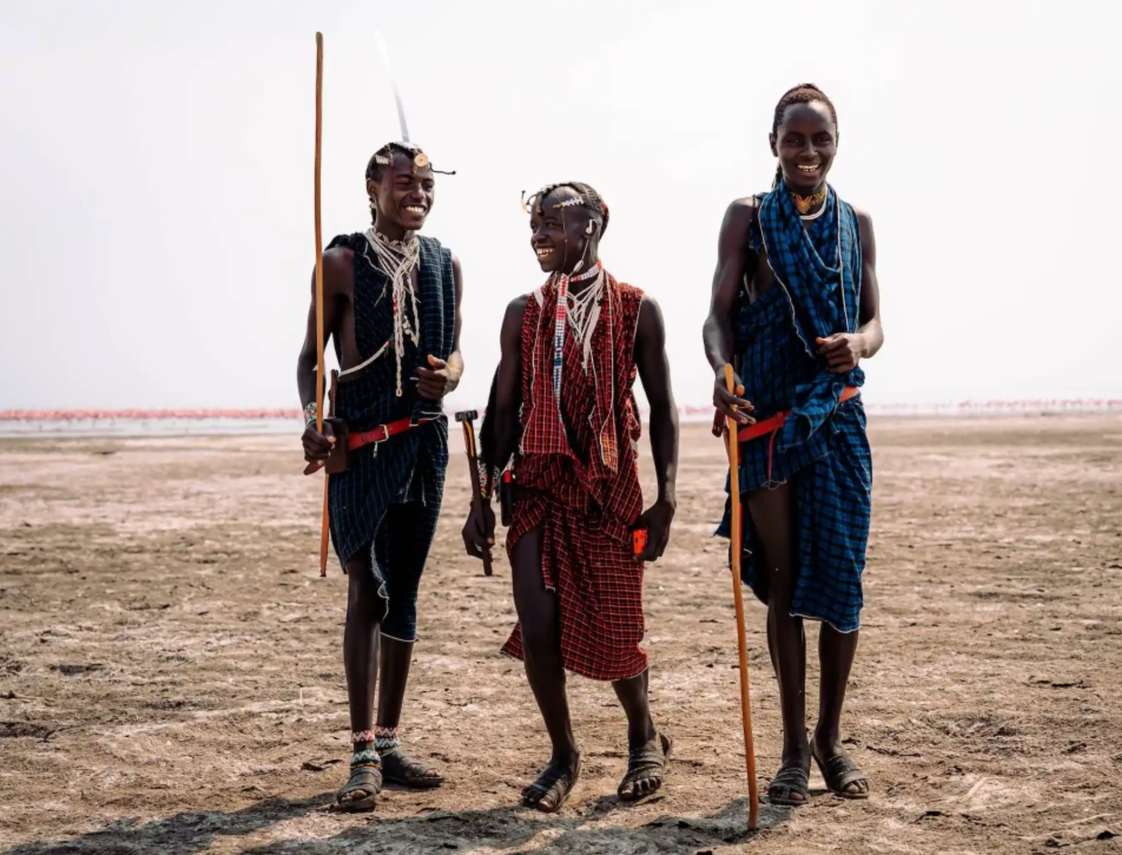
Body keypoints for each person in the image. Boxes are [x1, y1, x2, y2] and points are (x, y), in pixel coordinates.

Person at [463, 182, 680, 812]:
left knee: (617, 626)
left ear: (592, 227)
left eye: (553, 223)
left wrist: (666, 498)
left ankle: (643, 735)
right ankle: (564, 755)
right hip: (536, 484)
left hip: (610, 489)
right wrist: (481, 498)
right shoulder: (523, 312)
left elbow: (663, 408)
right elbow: (503, 413)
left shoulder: (636, 308)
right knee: (538, 628)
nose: (539, 235)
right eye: (535, 224)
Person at [703, 83, 884, 806]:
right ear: (773, 145)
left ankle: (829, 741)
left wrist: (857, 344)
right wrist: (722, 370)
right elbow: (717, 316)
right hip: (768, 424)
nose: (808, 151)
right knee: (783, 582)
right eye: (794, 139)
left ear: (836, 144)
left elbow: (875, 322)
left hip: (836, 419)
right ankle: (789, 751)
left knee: (842, 581)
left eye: (820, 139)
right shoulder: (747, 217)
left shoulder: (855, 222)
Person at [297, 141, 463, 812]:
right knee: (366, 589)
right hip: (361, 449)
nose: (418, 193)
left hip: (423, 446)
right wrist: (313, 417)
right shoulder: (340, 263)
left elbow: (456, 354)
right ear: (372, 187)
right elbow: (310, 358)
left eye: (427, 184)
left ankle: (390, 743)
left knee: (406, 594)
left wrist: (449, 376)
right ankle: (362, 751)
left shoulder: (445, 264)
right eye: (404, 183)